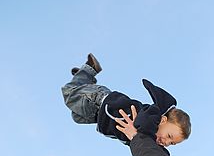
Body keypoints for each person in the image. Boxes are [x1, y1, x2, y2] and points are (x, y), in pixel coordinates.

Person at [61, 53, 191, 147]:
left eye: (172, 143)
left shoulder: (148, 137)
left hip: (98, 116)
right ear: (163, 120)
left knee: (76, 116)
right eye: (169, 136)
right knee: (69, 93)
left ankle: (84, 81)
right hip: (99, 100)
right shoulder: (151, 117)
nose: (166, 142)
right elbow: (145, 124)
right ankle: (90, 69)